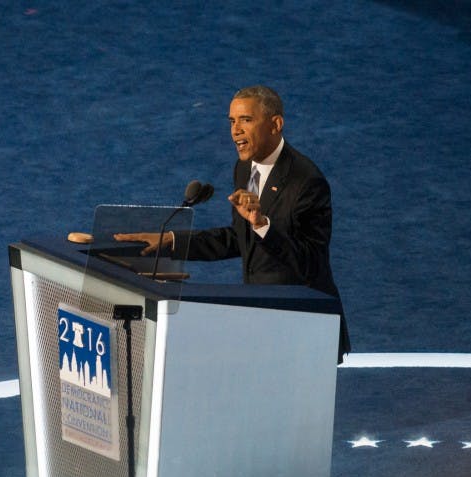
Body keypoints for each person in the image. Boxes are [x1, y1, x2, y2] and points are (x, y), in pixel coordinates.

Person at [115, 85, 351, 363]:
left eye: (246, 120)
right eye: (232, 121)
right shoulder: (244, 168)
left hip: (304, 325)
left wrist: (262, 224)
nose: (235, 130)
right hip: (262, 319)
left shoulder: (307, 182)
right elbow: (239, 238)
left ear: (275, 125)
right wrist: (172, 241)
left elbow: (309, 262)